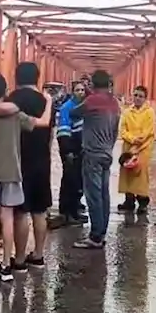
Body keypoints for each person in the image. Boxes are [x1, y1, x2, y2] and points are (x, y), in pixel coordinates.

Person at [0, 73, 53, 283]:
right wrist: (50, 101)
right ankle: (7, 266)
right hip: (12, 172)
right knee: (8, 216)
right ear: (5, 89)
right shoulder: (15, 115)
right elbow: (43, 122)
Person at [6, 62, 53, 271]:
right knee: (40, 210)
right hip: (41, 159)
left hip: (18, 159)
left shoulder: (11, 101)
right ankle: (39, 255)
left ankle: (20, 259)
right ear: (37, 77)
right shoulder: (45, 101)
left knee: (21, 211)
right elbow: (50, 132)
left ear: (16, 78)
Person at [71, 70, 121, 249]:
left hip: (92, 153)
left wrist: (82, 96)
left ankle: (95, 236)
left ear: (92, 84)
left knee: (93, 195)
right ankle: (101, 232)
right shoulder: (114, 102)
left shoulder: (91, 101)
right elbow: (115, 129)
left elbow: (74, 114)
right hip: (107, 153)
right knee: (104, 195)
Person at [117, 85, 156, 214]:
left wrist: (137, 142)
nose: (138, 98)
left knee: (140, 176)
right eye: (136, 95)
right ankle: (129, 201)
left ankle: (143, 202)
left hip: (143, 149)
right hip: (129, 147)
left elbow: (148, 131)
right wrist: (132, 139)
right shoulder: (127, 112)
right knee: (127, 173)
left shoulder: (149, 112)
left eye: (141, 96)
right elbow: (122, 130)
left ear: (145, 98)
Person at [57, 81, 88, 224]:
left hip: (81, 149)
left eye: (82, 90)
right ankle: (66, 212)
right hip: (70, 149)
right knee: (70, 181)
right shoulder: (66, 108)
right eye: (77, 90)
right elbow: (63, 131)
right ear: (72, 91)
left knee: (78, 182)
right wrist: (67, 151)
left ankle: (74, 211)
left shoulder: (83, 107)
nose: (80, 92)